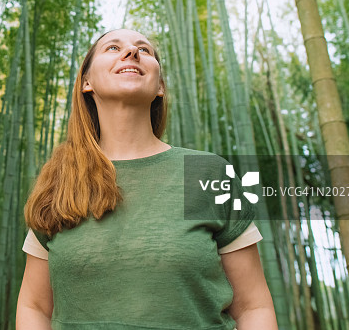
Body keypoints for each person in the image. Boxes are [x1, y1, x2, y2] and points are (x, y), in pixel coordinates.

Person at [15, 29, 277, 329]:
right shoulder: (60, 180)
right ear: (86, 82)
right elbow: (34, 307)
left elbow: (254, 308)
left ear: (160, 86)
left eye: (144, 50)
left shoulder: (205, 172)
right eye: (113, 48)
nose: (131, 52)